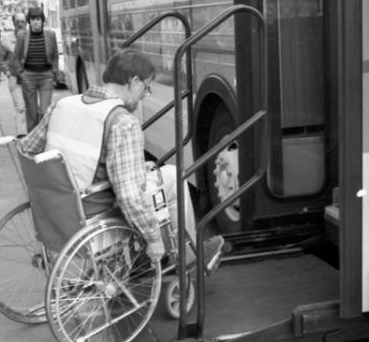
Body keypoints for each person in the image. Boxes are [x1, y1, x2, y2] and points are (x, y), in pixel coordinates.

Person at [20, 48, 222, 267]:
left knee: (151, 173)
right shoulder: (123, 122)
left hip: (55, 209)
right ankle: (187, 257)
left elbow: (27, 148)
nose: (145, 94)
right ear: (134, 82)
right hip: (92, 213)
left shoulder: (62, 105)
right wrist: (153, 238)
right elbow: (129, 196)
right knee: (173, 177)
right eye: (146, 87)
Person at [14, 6, 59, 132]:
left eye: (38, 19)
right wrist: (21, 74)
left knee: (45, 112)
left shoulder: (51, 35)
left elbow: (55, 55)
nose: (36, 22)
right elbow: (16, 57)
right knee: (32, 114)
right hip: (29, 76)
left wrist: (54, 72)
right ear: (29, 21)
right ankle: (31, 143)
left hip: (46, 76)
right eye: (33, 19)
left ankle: (43, 140)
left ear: (42, 20)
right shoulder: (22, 36)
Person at [0, 12, 28, 136]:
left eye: (22, 21)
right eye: (17, 21)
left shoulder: (31, 37)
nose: (20, 24)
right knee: (20, 107)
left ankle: (31, 133)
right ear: (13, 23)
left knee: (31, 107)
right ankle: (21, 135)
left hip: (30, 78)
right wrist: (8, 72)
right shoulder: (7, 40)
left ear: (26, 23)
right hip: (15, 79)